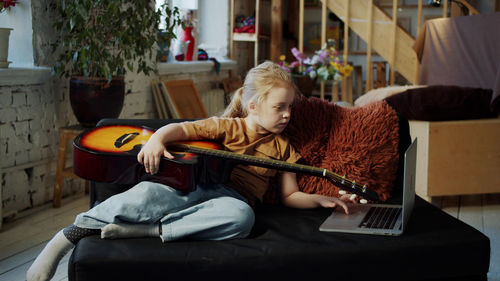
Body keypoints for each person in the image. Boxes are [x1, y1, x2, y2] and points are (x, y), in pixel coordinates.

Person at [26, 61, 353, 281]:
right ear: (253, 106)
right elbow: (181, 129)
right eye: (279, 107)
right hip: (193, 184)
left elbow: (290, 195)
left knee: (242, 219)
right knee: (150, 193)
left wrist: (319, 200)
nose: (286, 115)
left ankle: (147, 232)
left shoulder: (284, 149)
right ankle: (67, 237)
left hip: (230, 201)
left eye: (290, 108)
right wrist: (157, 139)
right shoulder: (228, 127)